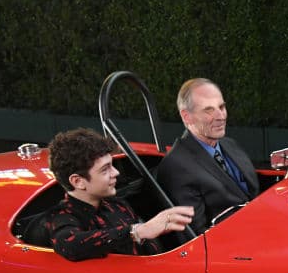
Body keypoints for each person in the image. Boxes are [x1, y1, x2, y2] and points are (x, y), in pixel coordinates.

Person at [45, 128, 193, 261]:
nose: (116, 173)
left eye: (112, 166)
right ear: (78, 181)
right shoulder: (61, 217)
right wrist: (137, 232)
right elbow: (70, 245)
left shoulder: (116, 204)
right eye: (105, 169)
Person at [157, 78, 261, 235]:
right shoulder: (176, 167)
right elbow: (198, 238)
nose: (221, 116)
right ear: (187, 117)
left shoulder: (229, 144)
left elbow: (252, 194)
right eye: (209, 110)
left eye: (221, 107)